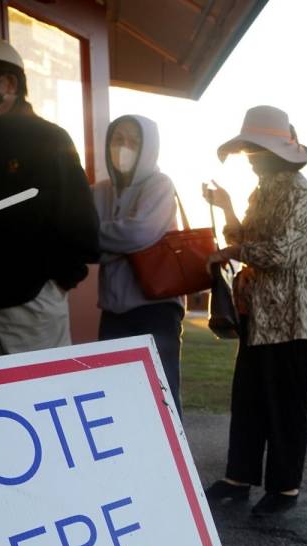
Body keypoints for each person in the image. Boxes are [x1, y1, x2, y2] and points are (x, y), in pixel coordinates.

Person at [201, 105, 307, 515]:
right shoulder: (264, 190)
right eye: (248, 150)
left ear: (276, 153)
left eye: (255, 150)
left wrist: (233, 251)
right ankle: (239, 478)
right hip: (260, 317)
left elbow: (280, 253)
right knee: (249, 399)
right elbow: (245, 237)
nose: (250, 158)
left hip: (293, 319)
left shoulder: (300, 194)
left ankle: (285, 488)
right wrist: (226, 207)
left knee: (285, 406)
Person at [0, 37, 98, 354]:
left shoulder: (49, 138)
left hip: (32, 308)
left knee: (45, 382)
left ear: (9, 83)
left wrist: (55, 283)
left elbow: (80, 220)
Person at [92, 115, 184, 408]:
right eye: (118, 139)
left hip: (156, 308)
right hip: (113, 311)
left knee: (161, 395)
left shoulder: (160, 185)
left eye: (133, 141)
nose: (124, 147)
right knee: (115, 397)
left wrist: (103, 242)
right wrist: (120, 244)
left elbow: (139, 232)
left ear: (149, 146)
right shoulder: (99, 191)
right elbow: (83, 240)